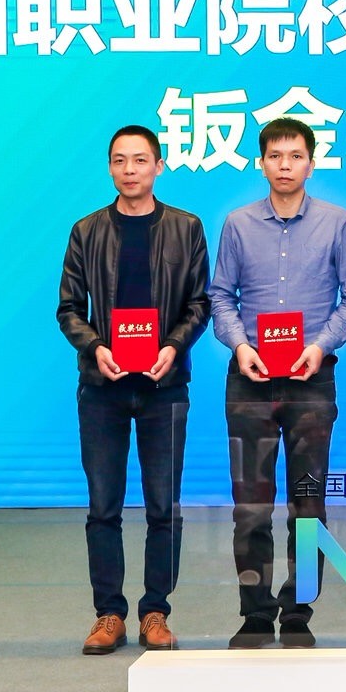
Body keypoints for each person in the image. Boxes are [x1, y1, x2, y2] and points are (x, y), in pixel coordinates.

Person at [58, 125, 210, 655]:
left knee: (164, 506)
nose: (130, 169)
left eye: (140, 160)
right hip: (102, 388)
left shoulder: (186, 227)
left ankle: (155, 612)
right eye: (120, 160)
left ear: (159, 166)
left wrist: (173, 345)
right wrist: (96, 346)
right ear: (109, 167)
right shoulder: (86, 231)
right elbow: (69, 308)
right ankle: (108, 614)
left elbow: (200, 303)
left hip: (164, 387)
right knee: (103, 506)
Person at [210, 117, 346, 649]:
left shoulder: (338, 223)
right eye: (275, 156)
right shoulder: (237, 224)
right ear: (261, 163)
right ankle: (255, 613)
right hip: (249, 380)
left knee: (308, 503)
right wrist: (241, 346)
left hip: (310, 382)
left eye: (295, 156)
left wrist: (319, 346)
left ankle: (298, 612)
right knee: (250, 507)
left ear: (311, 164)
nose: (285, 165)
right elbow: (220, 295)